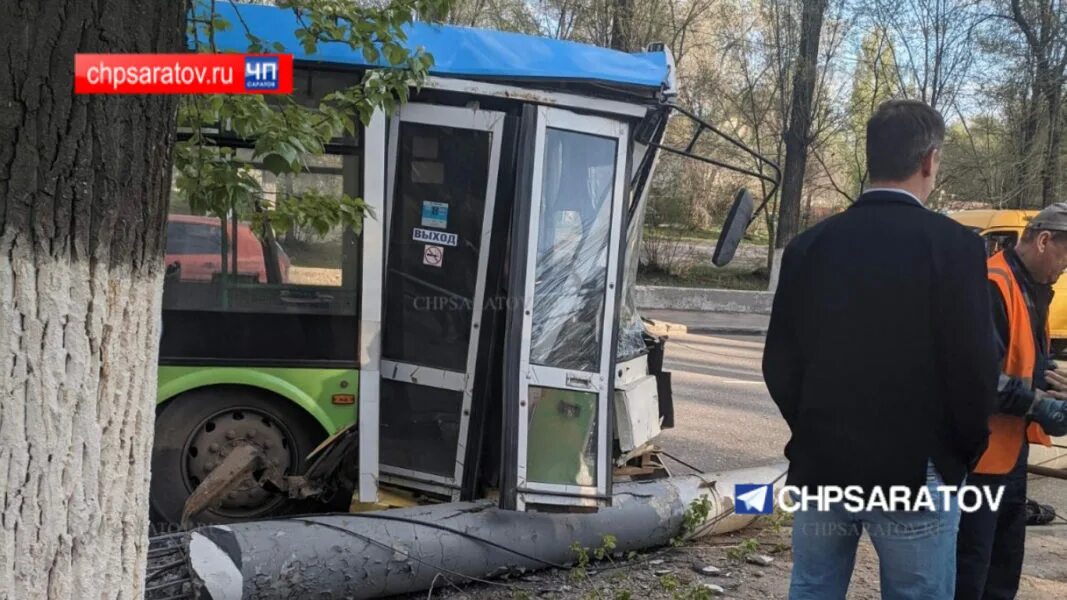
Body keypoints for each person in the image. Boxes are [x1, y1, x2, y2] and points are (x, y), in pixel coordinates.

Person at [763, 99, 998, 599]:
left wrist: (811, 426)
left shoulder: (808, 248)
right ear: (929, 160)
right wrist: (961, 453)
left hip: (824, 464)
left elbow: (780, 364)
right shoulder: (954, 247)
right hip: (916, 469)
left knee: (812, 589)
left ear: (871, 157)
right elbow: (975, 368)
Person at [955, 206, 1067, 600]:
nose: (1066, 268)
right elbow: (979, 377)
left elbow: (1023, 360)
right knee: (972, 565)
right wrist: (1038, 404)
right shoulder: (993, 284)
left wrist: (1052, 381)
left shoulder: (1029, 287)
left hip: (1008, 453)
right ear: (1043, 241)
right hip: (980, 458)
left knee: (1003, 566)